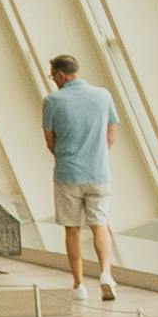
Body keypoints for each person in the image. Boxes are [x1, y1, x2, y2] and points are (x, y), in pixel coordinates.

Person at [38, 53, 118, 303]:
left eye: (53, 77)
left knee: (72, 229)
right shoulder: (103, 95)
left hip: (68, 173)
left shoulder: (52, 100)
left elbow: (50, 142)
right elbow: (111, 137)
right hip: (98, 172)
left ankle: (79, 284)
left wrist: (65, 155)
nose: (54, 82)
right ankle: (105, 273)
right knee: (100, 224)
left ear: (61, 75)